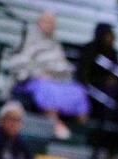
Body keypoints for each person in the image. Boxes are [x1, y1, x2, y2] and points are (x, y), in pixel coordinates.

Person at [6, 11, 89, 139]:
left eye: (52, 23)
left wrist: (57, 72)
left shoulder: (55, 44)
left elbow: (64, 66)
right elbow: (19, 62)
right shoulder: (28, 39)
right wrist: (38, 73)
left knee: (79, 90)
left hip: (56, 80)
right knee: (47, 88)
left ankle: (81, 132)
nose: (50, 25)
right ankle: (56, 125)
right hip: (33, 81)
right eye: (47, 22)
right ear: (39, 23)